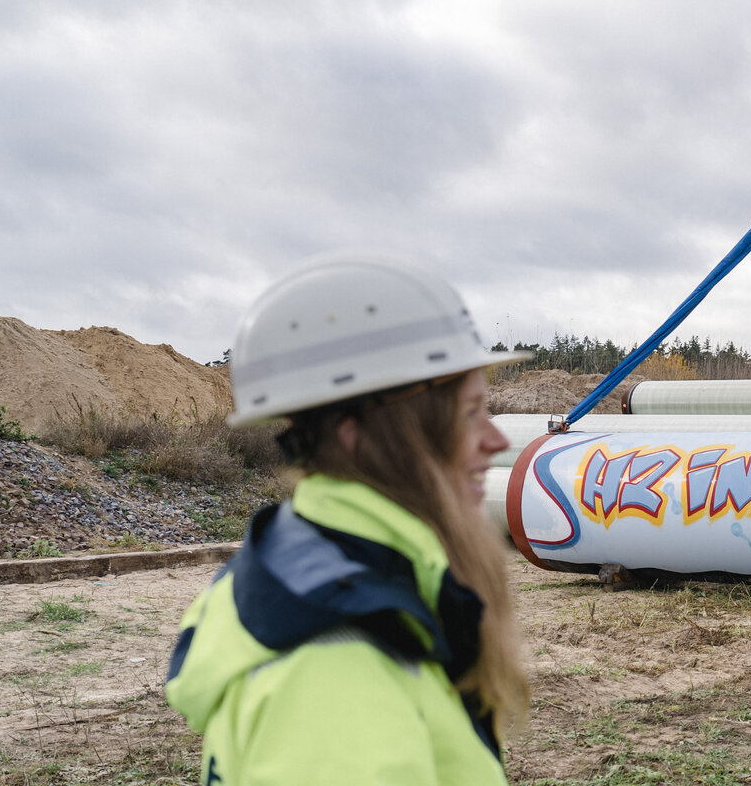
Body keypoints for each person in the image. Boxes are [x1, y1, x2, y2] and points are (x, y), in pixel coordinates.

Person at [166, 256, 532, 784]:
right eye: (470, 413)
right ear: (360, 437)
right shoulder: (336, 668)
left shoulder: (321, 568)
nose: (496, 440)